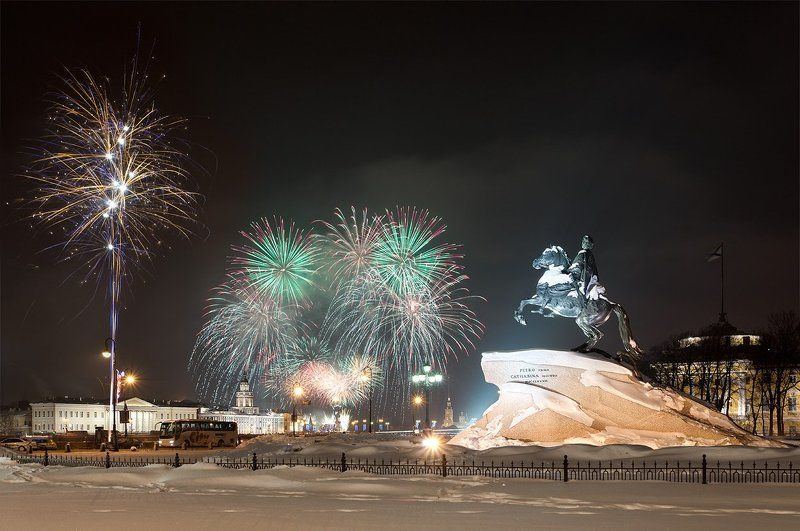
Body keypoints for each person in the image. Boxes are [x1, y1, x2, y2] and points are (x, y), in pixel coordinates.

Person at [567, 235, 599, 303]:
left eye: (585, 242)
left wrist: (568, 271)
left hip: (584, 276)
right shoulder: (587, 254)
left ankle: (582, 303)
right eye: (583, 242)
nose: (583, 244)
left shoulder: (584, 253)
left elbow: (579, 265)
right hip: (587, 275)